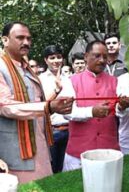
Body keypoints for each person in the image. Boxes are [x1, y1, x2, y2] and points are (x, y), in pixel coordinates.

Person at [0, 21, 73, 183]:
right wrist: (48, 107)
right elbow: (6, 107)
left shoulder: (27, 68)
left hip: (40, 143)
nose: (26, 42)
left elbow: (39, 103)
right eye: (20, 37)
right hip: (17, 151)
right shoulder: (1, 66)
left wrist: (54, 105)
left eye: (29, 38)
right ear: (5, 40)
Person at [59, 40, 129, 171]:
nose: (102, 60)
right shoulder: (71, 81)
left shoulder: (115, 81)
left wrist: (123, 106)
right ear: (86, 56)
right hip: (78, 152)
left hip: (109, 150)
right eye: (97, 56)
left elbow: (122, 113)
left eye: (105, 56)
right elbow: (67, 112)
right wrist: (91, 112)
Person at [38, 45, 69, 173]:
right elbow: (41, 105)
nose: (56, 60)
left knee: (67, 170)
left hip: (70, 129)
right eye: (52, 58)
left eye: (59, 57)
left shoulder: (69, 79)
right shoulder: (40, 80)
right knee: (53, 169)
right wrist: (57, 91)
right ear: (46, 60)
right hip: (51, 131)